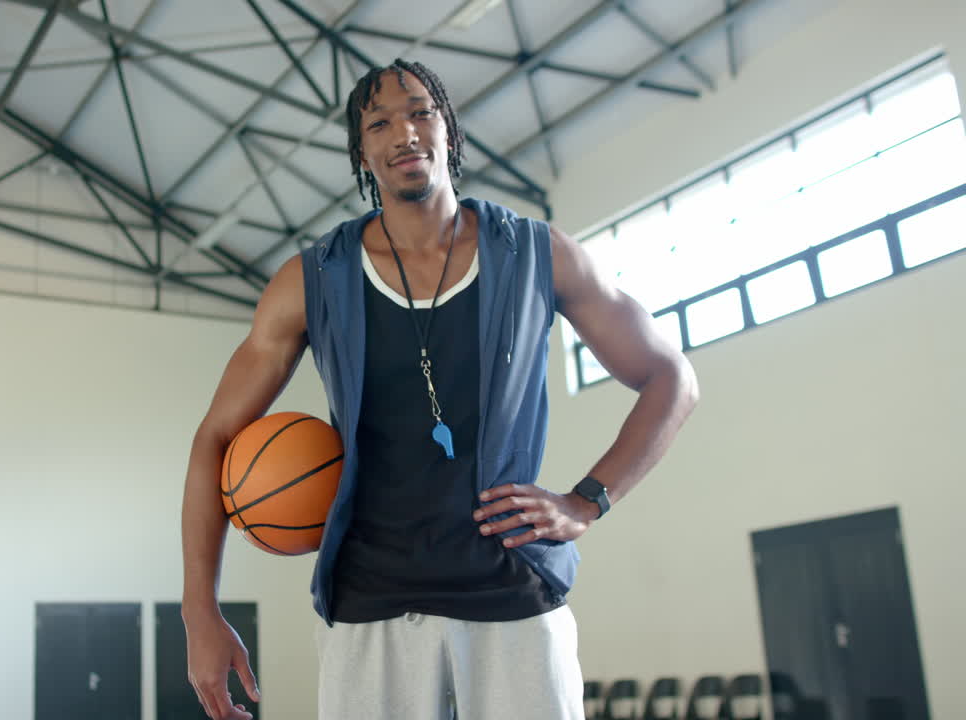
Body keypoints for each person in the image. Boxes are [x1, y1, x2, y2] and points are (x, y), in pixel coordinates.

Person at [181, 58, 699, 720]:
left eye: (421, 112)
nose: (405, 133)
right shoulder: (311, 281)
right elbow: (214, 438)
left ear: (448, 129)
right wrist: (199, 609)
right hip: (371, 604)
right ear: (362, 152)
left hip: (512, 596)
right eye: (380, 123)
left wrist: (587, 501)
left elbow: (671, 378)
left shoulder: (539, 254)